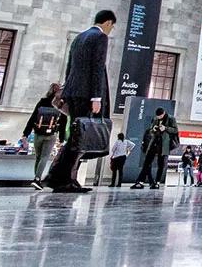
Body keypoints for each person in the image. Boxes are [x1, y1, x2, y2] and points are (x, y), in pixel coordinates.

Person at [46, 10, 116, 193]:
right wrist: (96, 97)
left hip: (74, 92)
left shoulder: (79, 37)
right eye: (112, 26)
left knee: (76, 137)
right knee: (80, 139)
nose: (111, 30)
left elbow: (70, 67)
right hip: (87, 95)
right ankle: (61, 178)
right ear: (108, 22)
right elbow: (97, 68)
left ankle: (63, 177)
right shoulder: (100, 38)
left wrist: (67, 90)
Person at [20, 82, 66, 190]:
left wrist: (25, 134)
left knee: (38, 156)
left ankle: (37, 178)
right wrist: (62, 138)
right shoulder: (60, 104)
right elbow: (62, 123)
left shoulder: (42, 101)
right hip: (52, 134)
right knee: (45, 157)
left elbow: (33, 118)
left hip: (38, 133)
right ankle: (37, 179)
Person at [132, 107, 178, 190]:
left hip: (164, 143)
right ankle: (140, 182)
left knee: (161, 163)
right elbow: (151, 129)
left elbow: (175, 130)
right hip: (154, 142)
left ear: (164, 113)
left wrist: (166, 128)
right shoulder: (155, 119)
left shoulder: (171, 118)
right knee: (147, 162)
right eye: (157, 116)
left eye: (160, 116)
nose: (158, 118)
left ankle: (157, 182)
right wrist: (153, 129)